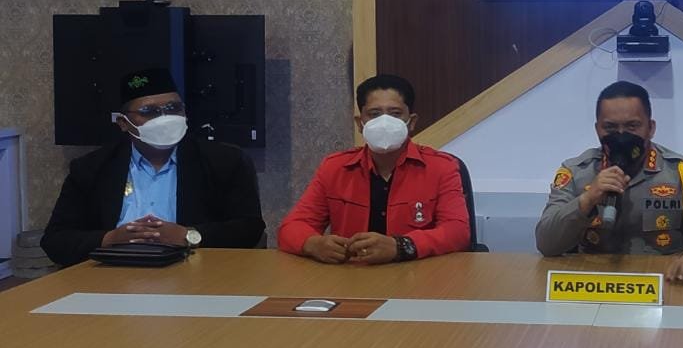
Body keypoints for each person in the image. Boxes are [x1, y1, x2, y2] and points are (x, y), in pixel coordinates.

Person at [42, 68, 265, 267]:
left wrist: (187, 236)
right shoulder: (91, 168)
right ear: (123, 123)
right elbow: (55, 240)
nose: (164, 118)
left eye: (173, 108)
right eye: (149, 111)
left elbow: (249, 228)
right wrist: (109, 239)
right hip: (111, 276)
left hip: (195, 273)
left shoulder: (224, 161)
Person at [535, 81, 683, 283]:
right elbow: (546, 243)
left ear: (651, 128)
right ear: (597, 129)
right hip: (594, 284)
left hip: (664, 283)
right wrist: (586, 200)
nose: (621, 135)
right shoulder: (575, 172)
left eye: (632, 126)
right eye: (610, 127)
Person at [278, 74, 470, 264]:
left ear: (411, 122)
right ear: (360, 123)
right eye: (374, 114)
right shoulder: (334, 168)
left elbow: (458, 231)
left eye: (395, 114)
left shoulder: (441, 167)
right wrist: (313, 244)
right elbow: (291, 226)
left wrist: (400, 246)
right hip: (351, 275)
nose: (384, 122)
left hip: (417, 274)